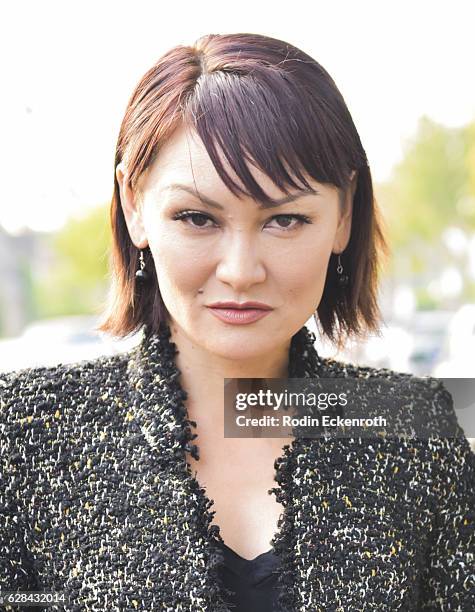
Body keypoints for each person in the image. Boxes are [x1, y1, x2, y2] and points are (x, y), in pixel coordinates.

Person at [1, 32, 474, 612]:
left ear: (344, 215)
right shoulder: (26, 433)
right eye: (197, 217)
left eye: (286, 220)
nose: (241, 270)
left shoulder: (414, 428)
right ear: (133, 206)